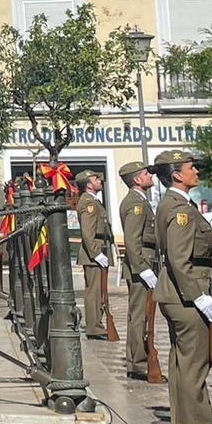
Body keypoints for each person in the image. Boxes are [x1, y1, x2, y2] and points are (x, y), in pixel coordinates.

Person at [152, 149, 212, 424]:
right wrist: (199, 296)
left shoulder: (176, 203)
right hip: (186, 296)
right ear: (177, 175)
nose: (196, 171)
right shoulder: (179, 208)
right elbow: (180, 260)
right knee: (194, 364)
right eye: (191, 167)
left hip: (177, 294)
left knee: (183, 363)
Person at [117, 161, 160, 381]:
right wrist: (142, 268)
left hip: (146, 260)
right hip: (142, 262)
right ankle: (138, 362)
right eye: (146, 173)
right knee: (140, 316)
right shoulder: (135, 203)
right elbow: (132, 240)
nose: (150, 176)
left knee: (142, 314)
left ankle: (138, 359)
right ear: (136, 179)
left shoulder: (140, 201)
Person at [74, 168, 113, 340]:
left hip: (99, 250)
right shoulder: (88, 203)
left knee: (98, 291)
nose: (100, 181)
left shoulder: (94, 201)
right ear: (89, 185)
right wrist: (96, 254)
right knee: (94, 292)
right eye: (96, 179)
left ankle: (97, 324)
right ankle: (94, 327)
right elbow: (87, 232)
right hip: (94, 253)